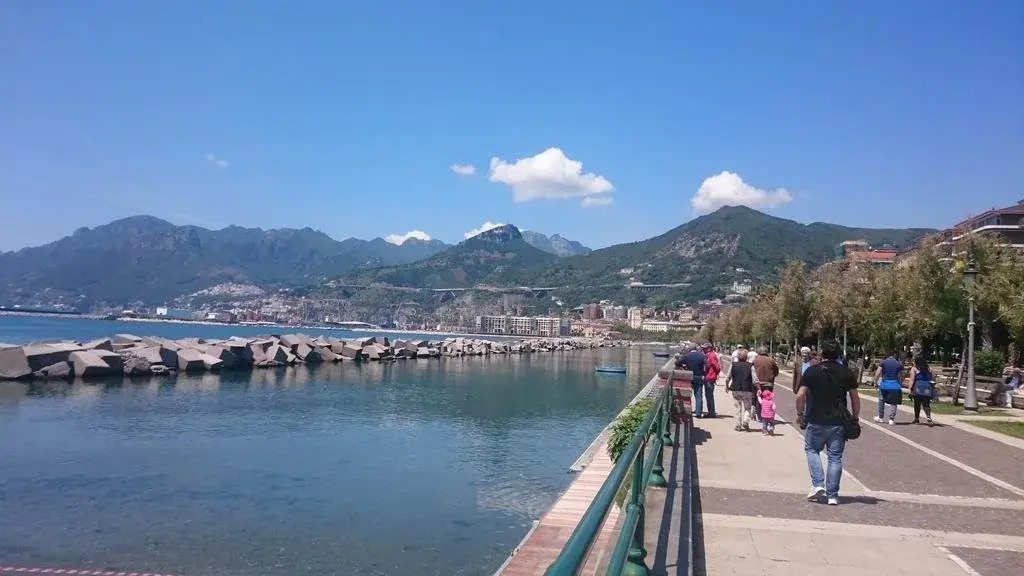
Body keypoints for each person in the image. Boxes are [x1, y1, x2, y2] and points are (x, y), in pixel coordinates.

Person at [796, 340, 860, 506]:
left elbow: (800, 395)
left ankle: (818, 484)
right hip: (838, 421)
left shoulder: (812, 371)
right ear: (839, 354)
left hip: (815, 419)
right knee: (835, 458)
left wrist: (800, 413)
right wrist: (855, 417)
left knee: (812, 449)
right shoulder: (845, 372)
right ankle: (833, 495)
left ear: (821, 353)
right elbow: (854, 397)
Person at [726, 349, 756, 431]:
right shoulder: (750, 366)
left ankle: (738, 425)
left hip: (736, 388)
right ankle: (746, 421)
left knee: (737, 408)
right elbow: (754, 379)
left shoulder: (733, 365)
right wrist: (758, 387)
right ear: (747, 358)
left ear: (738, 357)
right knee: (747, 407)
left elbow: (728, 377)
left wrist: (727, 386)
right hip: (747, 389)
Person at [874, 350, 904, 425]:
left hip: (884, 385)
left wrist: (875, 382)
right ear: (894, 355)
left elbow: (877, 373)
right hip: (895, 385)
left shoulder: (883, 362)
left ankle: (880, 417)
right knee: (894, 402)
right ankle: (891, 419)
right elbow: (902, 375)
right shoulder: (899, 364)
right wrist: (901, 382)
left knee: (881, 400)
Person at [681, 345, 711, 419]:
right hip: (699, 376)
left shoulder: (687, 355)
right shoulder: (701, 355)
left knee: (687, 393)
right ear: (696, 349)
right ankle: (698, 413)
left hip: (689, 376)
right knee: (698, 395)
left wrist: (684, 367)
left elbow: (677, 362)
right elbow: (708, 365)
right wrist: (704, 373)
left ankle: (686, 410)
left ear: (690, 349)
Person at [908, 356, 935, 425]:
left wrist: (910, 389)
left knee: (917, 404)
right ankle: (928, 416)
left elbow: (912, 379)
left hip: (917, 387)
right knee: (926, 403)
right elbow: (933, 379)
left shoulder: (914, 369)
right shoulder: (929, 369)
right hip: (927, 387)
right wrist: (932, 388)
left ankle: (917, 418)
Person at [703, 343, 721, 418]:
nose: (703, 349)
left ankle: (711, 413)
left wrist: (713, 375)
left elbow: (717, 367)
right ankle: (710, 412)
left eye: (704, 348)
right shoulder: (709, 355)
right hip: (708, 377)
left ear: (709, 348)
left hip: (710, 378)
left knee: (709, 395)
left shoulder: (711, 356)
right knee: (708, 395)